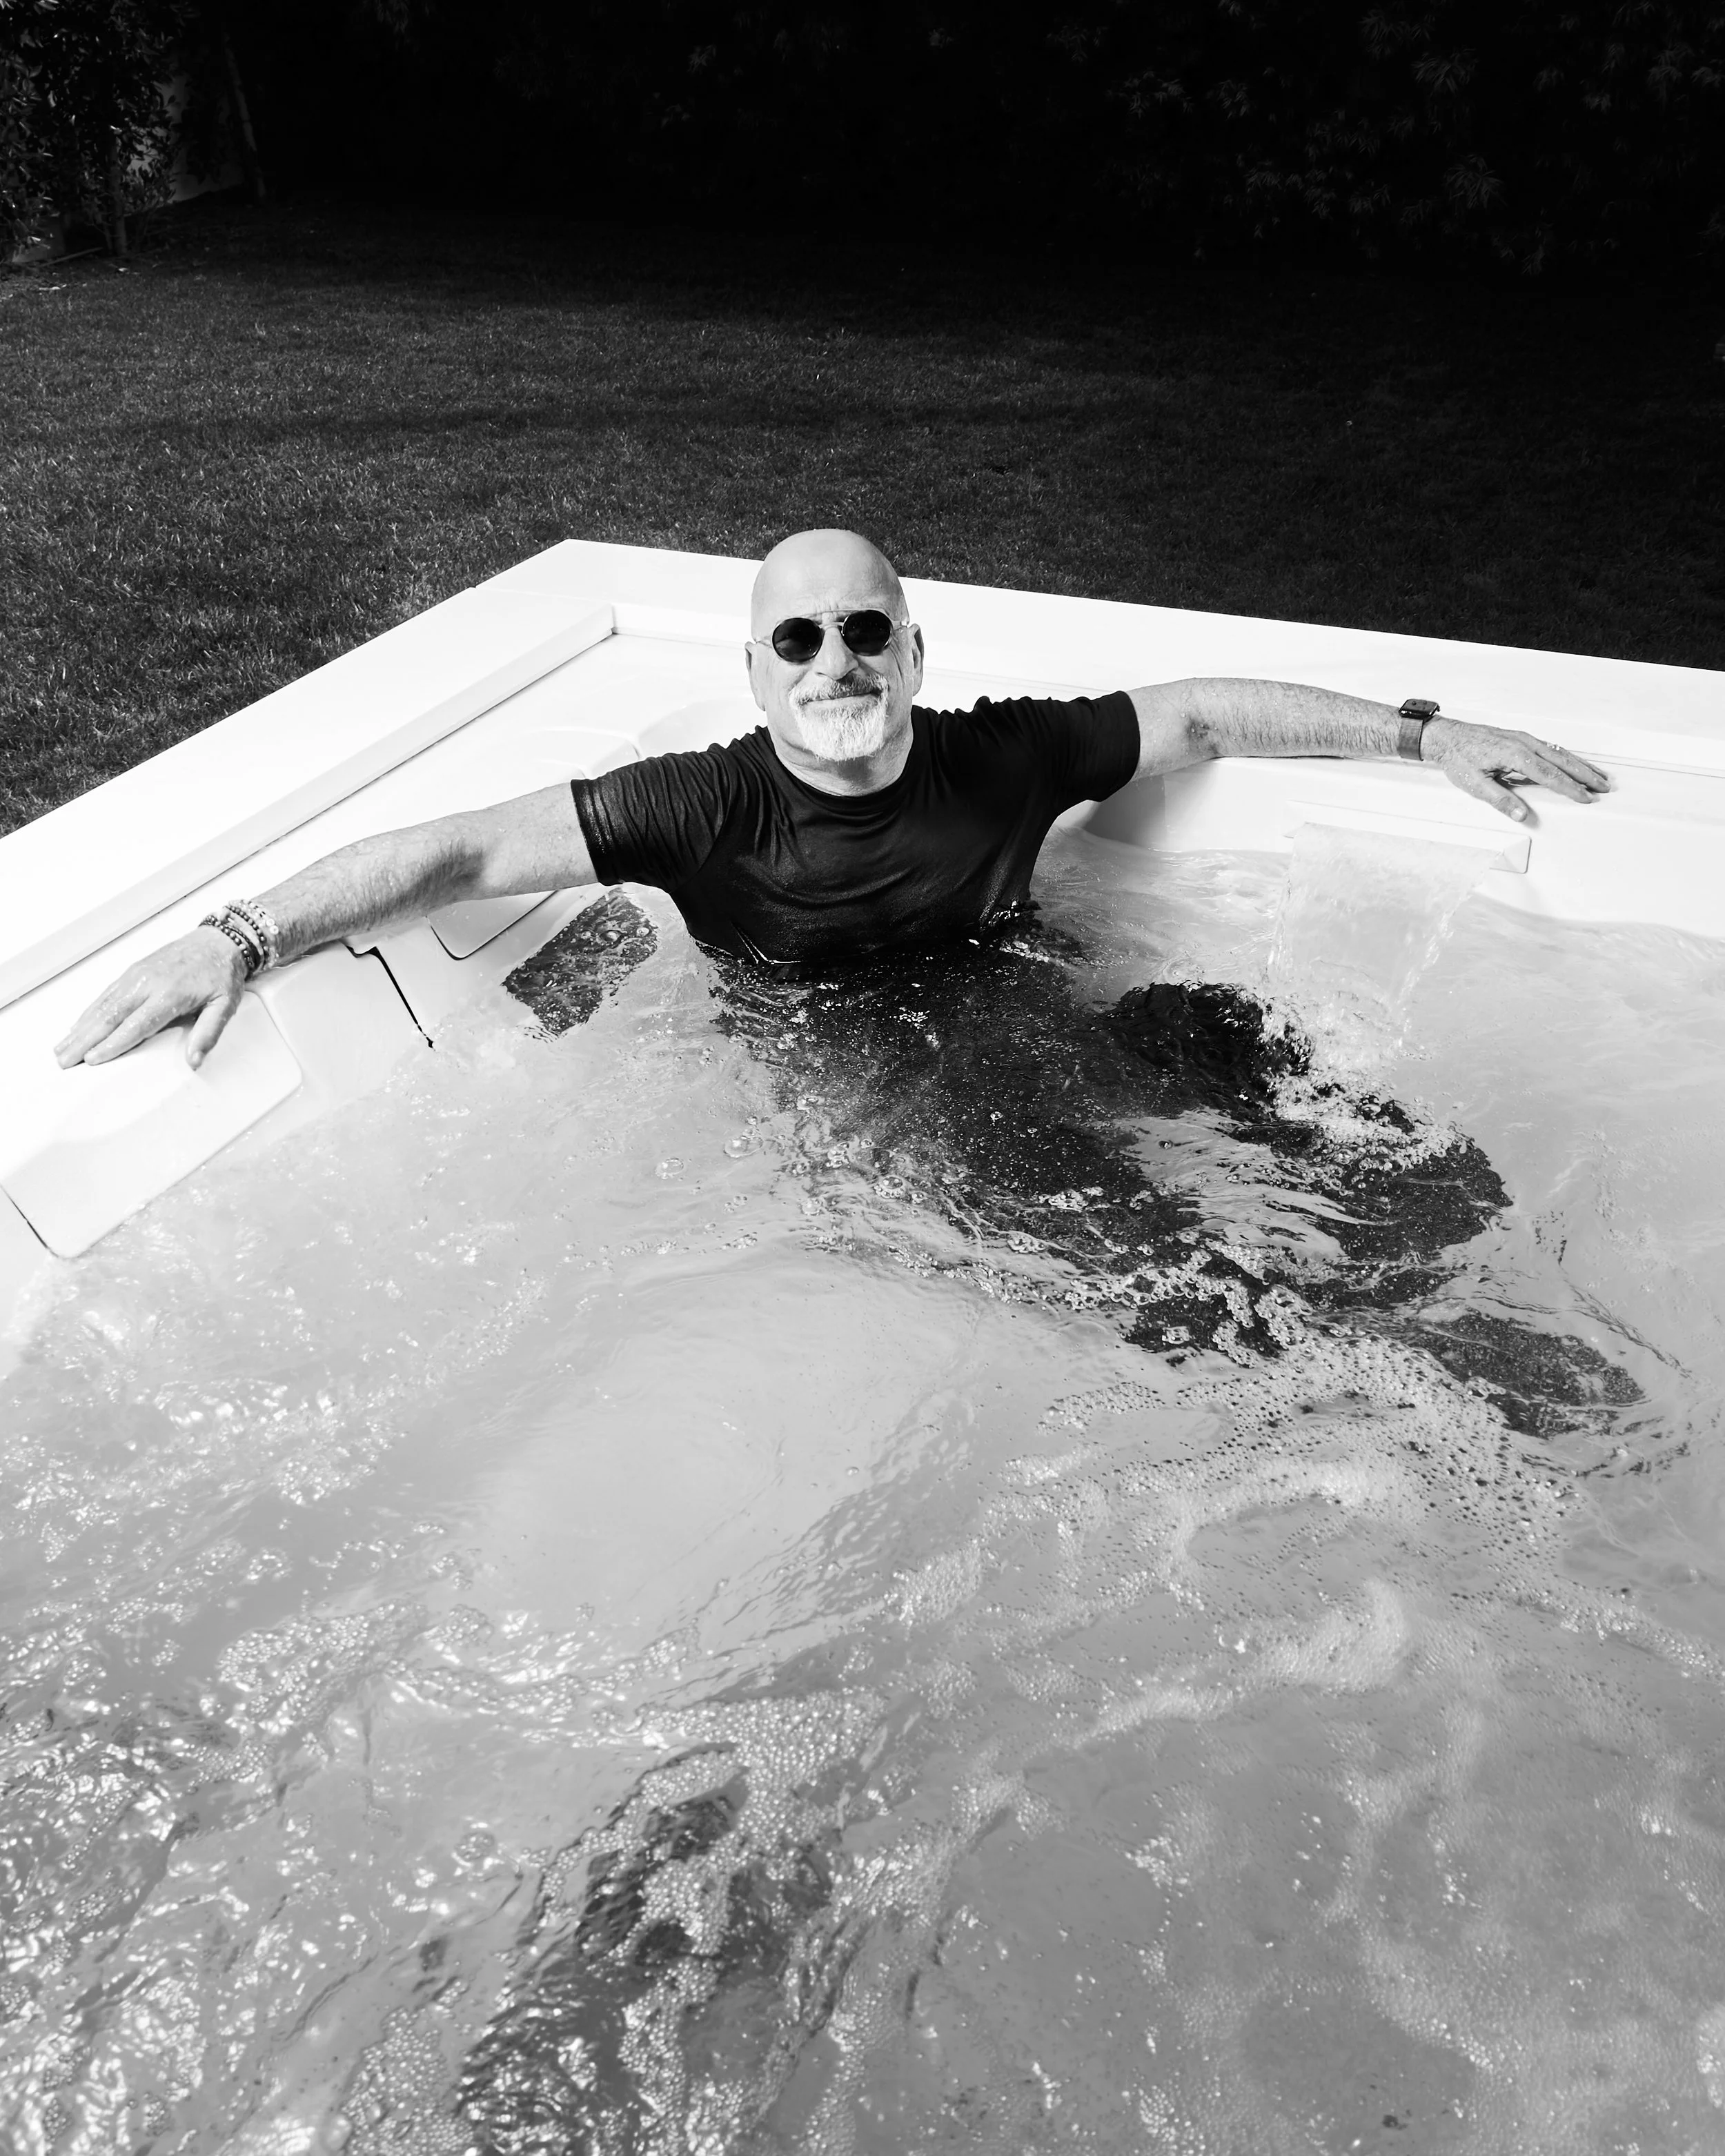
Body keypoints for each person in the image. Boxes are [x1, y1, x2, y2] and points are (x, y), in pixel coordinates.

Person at [55, 528, 1609, 1072]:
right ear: (754, 672)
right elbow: (458, 846)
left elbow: (1199, 710)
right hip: (873, 1085)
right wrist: (242, 936)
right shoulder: (694, 808)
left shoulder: (1001, 752)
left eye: (866, 626)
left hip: (1041, 1002)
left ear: (913, 648)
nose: (836, 657)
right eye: (796, 636)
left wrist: (1425, 731)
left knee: (1306, 1092)